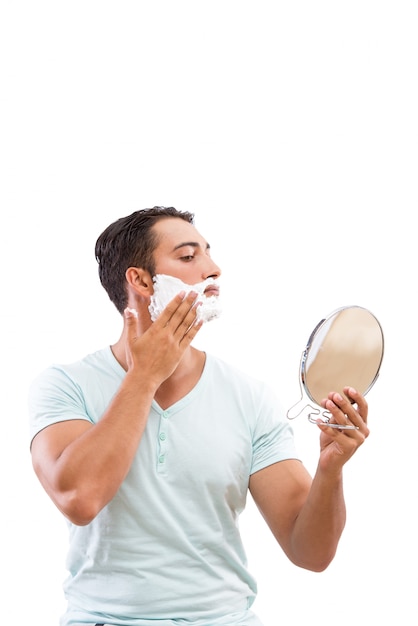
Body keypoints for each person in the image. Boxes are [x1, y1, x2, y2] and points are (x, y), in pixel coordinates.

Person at [28, 206, 370, 626]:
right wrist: (146, 376)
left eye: (208, 253)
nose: (213, 269)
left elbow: (311, 553)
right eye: (189, 257)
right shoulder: (66, 385)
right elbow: (79, 499)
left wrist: (331, 469)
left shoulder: (249, 396)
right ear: (140, 280)